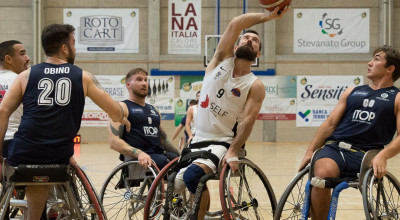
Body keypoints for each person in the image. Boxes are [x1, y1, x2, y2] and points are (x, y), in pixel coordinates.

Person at [0, 24, 130, 220]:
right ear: (64, 48)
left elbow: (3, 111)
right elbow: (115, 112)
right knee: (52, 166)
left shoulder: (26, 76)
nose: (75, 49)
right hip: (59, 154)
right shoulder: (83, 77)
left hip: (24, 153)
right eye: (74, 43)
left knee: (34, 171)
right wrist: (123, 114)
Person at [173, 6, 290, 219]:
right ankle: (195, 209)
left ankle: (198, 215)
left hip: (221, 142)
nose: (249, 41)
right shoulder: (220, 60)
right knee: (174, 182)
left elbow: (247, 121)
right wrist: (268, 17)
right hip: (196, 140)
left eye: (254, 41)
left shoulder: (255, 85)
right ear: (235, 46)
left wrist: (234, 150)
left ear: (258, 53)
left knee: (192, 177)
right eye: (246, 38)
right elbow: (236, 22)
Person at [298, 46, 400, 220]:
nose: (370, 63)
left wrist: (383, 156)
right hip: (335, 149)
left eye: (376, 59)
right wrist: (310, 151)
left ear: (390, 68)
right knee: (321, 175)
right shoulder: (352, 92)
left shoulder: (396, 97)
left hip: (366, 155)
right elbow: (330, 124)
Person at [108, 68, 180, 170]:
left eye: (146, 80)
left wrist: (180, 154)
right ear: (128, 85)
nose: (144, 83)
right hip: (140, 159)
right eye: (139, 80)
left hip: (159, 156)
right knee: (176, 167)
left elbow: (163, 140)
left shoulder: (154, 110)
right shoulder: (122, 108)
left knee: (188, 162)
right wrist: (139, 153)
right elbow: (113, 142)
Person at [0, 40, 30, 157]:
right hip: (14, 142)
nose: (27, 58)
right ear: (8, 59)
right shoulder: (22, 80)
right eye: (22, 54)